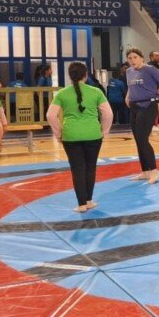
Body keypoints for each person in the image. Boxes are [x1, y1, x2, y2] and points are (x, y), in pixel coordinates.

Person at [47, 62, 114, 213]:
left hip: (71, 137)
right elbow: (108, 114)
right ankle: (89, 200)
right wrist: (104, 131)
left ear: (70, 76)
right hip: (93, 135)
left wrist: (59, 134)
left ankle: (81, 204)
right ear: (86, 75)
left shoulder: (62, 93)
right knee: (90, 168)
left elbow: (50, 115)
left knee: (77, 169)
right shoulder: (96, 92)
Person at [125, 48, 159, 184]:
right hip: (134, 106)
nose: (132, 60)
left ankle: (154, 171)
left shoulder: (149, 69)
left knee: (143, 139)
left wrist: (157, 93)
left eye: (135, 57)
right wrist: (128, 97)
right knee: (138, 140)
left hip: (147, 106)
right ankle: (145, 172)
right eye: (130, 58)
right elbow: (130, 87)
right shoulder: (129, 72)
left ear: (141, 58)